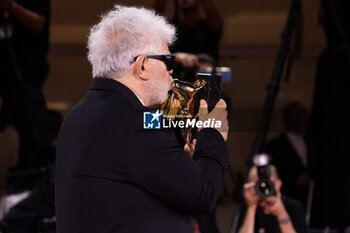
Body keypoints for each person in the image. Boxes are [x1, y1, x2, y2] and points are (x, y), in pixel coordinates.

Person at [55, 5, 229, 233]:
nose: (171, 72)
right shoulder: (137, 122)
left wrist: (179, 163)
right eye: (168, 61)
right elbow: (203, 194)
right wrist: (213, 130)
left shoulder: (76, 117)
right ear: (143, 65)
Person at [265, 101, 311, 209]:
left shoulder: (311, 142)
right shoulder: (274, 146)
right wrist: (294, 181)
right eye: (299, 115)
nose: (305, 119)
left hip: (309, 203)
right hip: (285, 202)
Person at [235, 165, 307, 233]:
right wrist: (251, 209)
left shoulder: (293, 206)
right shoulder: (246, 207)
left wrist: (281, 213)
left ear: (278, 184)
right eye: (259, 184)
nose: (264, 188)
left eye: (268, 183)